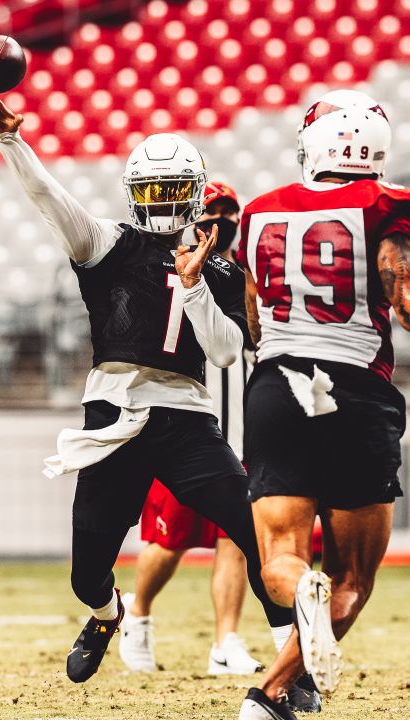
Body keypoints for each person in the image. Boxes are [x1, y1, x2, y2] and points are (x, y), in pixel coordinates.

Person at [0, 92, 295, 686]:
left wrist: (195, 284)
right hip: (113, 417)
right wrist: (10, 141)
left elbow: (227, 352)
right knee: (85, 573)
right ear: (133, 194)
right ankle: (107, 615)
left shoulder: (220, 271)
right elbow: (49, 197)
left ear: (194, 192)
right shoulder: (108, 244)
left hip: (186, 421)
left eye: (173, 188)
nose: (163, 201)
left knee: (255, 533)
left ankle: (290, 662)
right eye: (152, 190)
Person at [231, 89, 410, 720]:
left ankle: (286, 673)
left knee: (280, 564)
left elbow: (253, 327)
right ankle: (269, 696)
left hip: (277, 385)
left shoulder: (260, 212)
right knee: (350, 579)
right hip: (355, 390)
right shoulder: (386, 205)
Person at [118, 182, 266, 677]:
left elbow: (256, 337)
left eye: (230, 212)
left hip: (239, 423)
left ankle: (226, 640)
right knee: (169, 540)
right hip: (186, 422)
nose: (221, 220)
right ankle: (136, 613)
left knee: (236, 537)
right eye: (213, 211)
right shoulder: (165, 265)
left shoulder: (246, 275)